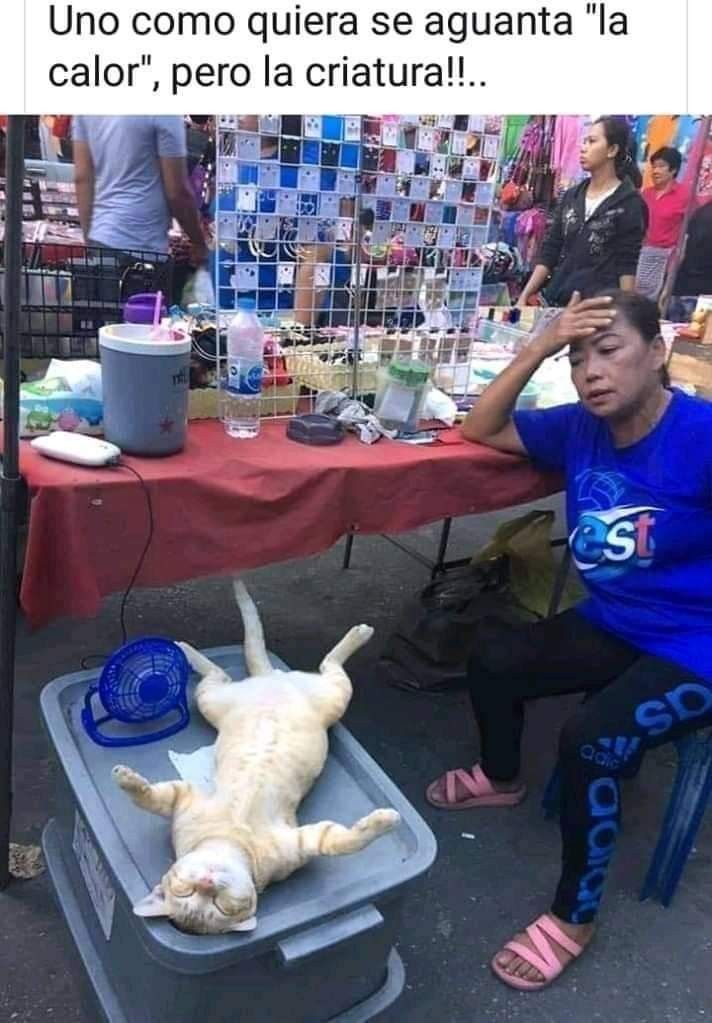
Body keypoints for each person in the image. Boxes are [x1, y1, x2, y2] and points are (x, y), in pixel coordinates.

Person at [427, 290, 712, 991]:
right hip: (616, 620)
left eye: (608, 350)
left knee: (590, 739)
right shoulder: (580, 428)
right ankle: (501, 776)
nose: (591, 372)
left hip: (697, 643)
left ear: (658, 350)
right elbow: (481, 428)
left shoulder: (701, 436)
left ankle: (573, 916)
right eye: (577, 359)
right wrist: (538, 345)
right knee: (493, 654)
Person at [518, 118, 646, 307]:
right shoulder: (572, 196)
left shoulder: (629, 203)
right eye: (584, 141)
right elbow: (551, 250)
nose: (583, 148)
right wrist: (525, 295)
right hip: (557, 300)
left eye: (592, 141)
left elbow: (627, 263)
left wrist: (626, 312)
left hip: (598, 307)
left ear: (612, 150)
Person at [72, 116, 208, 265]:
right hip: (142, 245)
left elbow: (83, 179)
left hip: (101, 238)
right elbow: (177, 192)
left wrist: (90, 241)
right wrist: (198, 242)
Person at [642, 146, 688, 249]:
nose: (655, 171)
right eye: (654, 167)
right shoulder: (646, 194)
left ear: (673, 170)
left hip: (666, 252)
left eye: (661, 166)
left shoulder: (684, 195)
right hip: (640, 249)